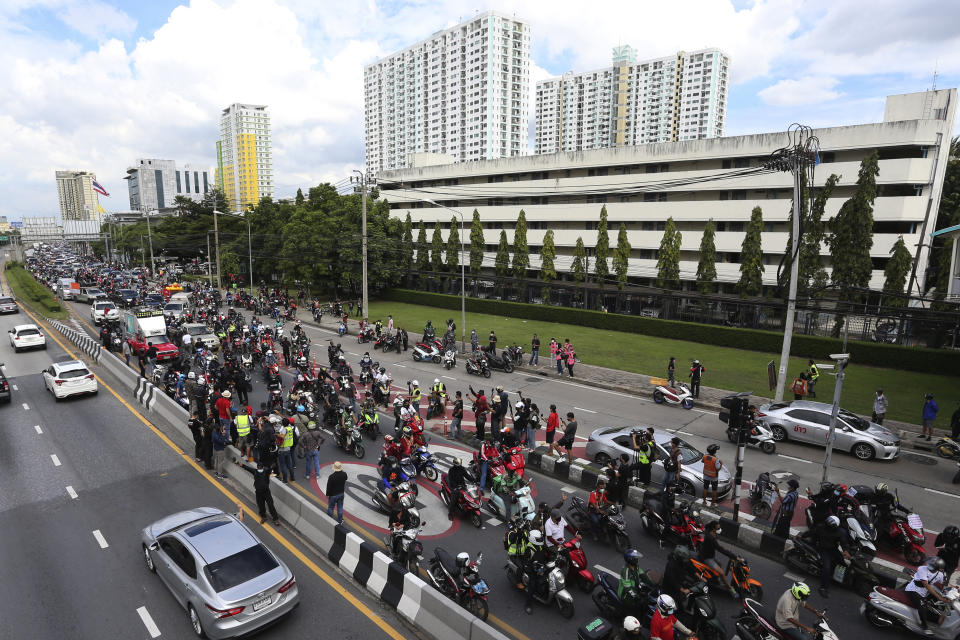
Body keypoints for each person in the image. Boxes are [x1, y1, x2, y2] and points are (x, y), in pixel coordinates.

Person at [905, 556, 949, 632]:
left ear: (937, 568)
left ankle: (939, 619)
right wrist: (939, 597)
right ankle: (924, 626)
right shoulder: (921, 569)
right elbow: (926, 585)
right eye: (929, 564)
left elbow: (943, 584)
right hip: (912, 590)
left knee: (936, 603)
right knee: (922, 605)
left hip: (924, 592)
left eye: (931, 565)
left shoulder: (940, 575)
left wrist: (951, 586)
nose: (928, 565)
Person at [699, 521, 739, 596]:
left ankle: (716, 578)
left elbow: (716, 546)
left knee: (720, 563)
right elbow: (718, 548)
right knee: (722, 573)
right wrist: (734, 557)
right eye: (718, 528)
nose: (720, 529)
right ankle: (730, 588)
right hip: (707, 558)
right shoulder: (710, 537)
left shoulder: (712, 533)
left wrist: (723, 548)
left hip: (710, 555)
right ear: (713, 529)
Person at [814, 515, 850, 597]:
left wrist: (846, 550)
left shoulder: (839, 532)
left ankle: (837, 577)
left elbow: (844, 542)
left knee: (842, 562)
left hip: (833, 550)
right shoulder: (821, 527)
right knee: (827, 568)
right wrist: (802, 535)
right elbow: (812, 532)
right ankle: (823, 587)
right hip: (823, 549)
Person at [240, 459, 280, 525]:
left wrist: (273, 465)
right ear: (257, 467)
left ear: (263, 467)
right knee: (261, 505)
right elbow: (247, 468)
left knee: (270, 505)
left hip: (266, 492)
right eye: (258, 467)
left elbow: (271, 468)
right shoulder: (255, 471)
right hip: (258, 493)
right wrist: (239, 463)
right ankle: (263, 517)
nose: (259, 469)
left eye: (260, 467)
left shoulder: (266, 472)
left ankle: (275, 519)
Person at [523, 529, 549, 614]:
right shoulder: (529, 549)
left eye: (540, 538)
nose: (541, 540)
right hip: (532, 568)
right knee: (532, 585)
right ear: (533, 539)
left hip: (541, 565)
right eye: (538, 539)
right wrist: (535, 568)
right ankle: (528, 604)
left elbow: (547, 551)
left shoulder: (541, 545)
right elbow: (526, 562)